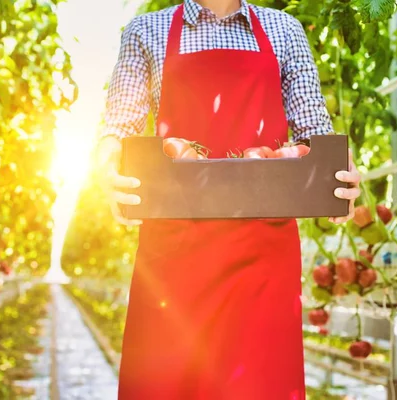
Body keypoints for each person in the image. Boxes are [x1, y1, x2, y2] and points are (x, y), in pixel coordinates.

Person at [96, 0, 361, 399]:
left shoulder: (283, 30)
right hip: (174, 253)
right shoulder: (146, 31)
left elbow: (314, 131)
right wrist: (105, 167)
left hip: (263, 256)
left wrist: (344, 176)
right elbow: (119, 126)